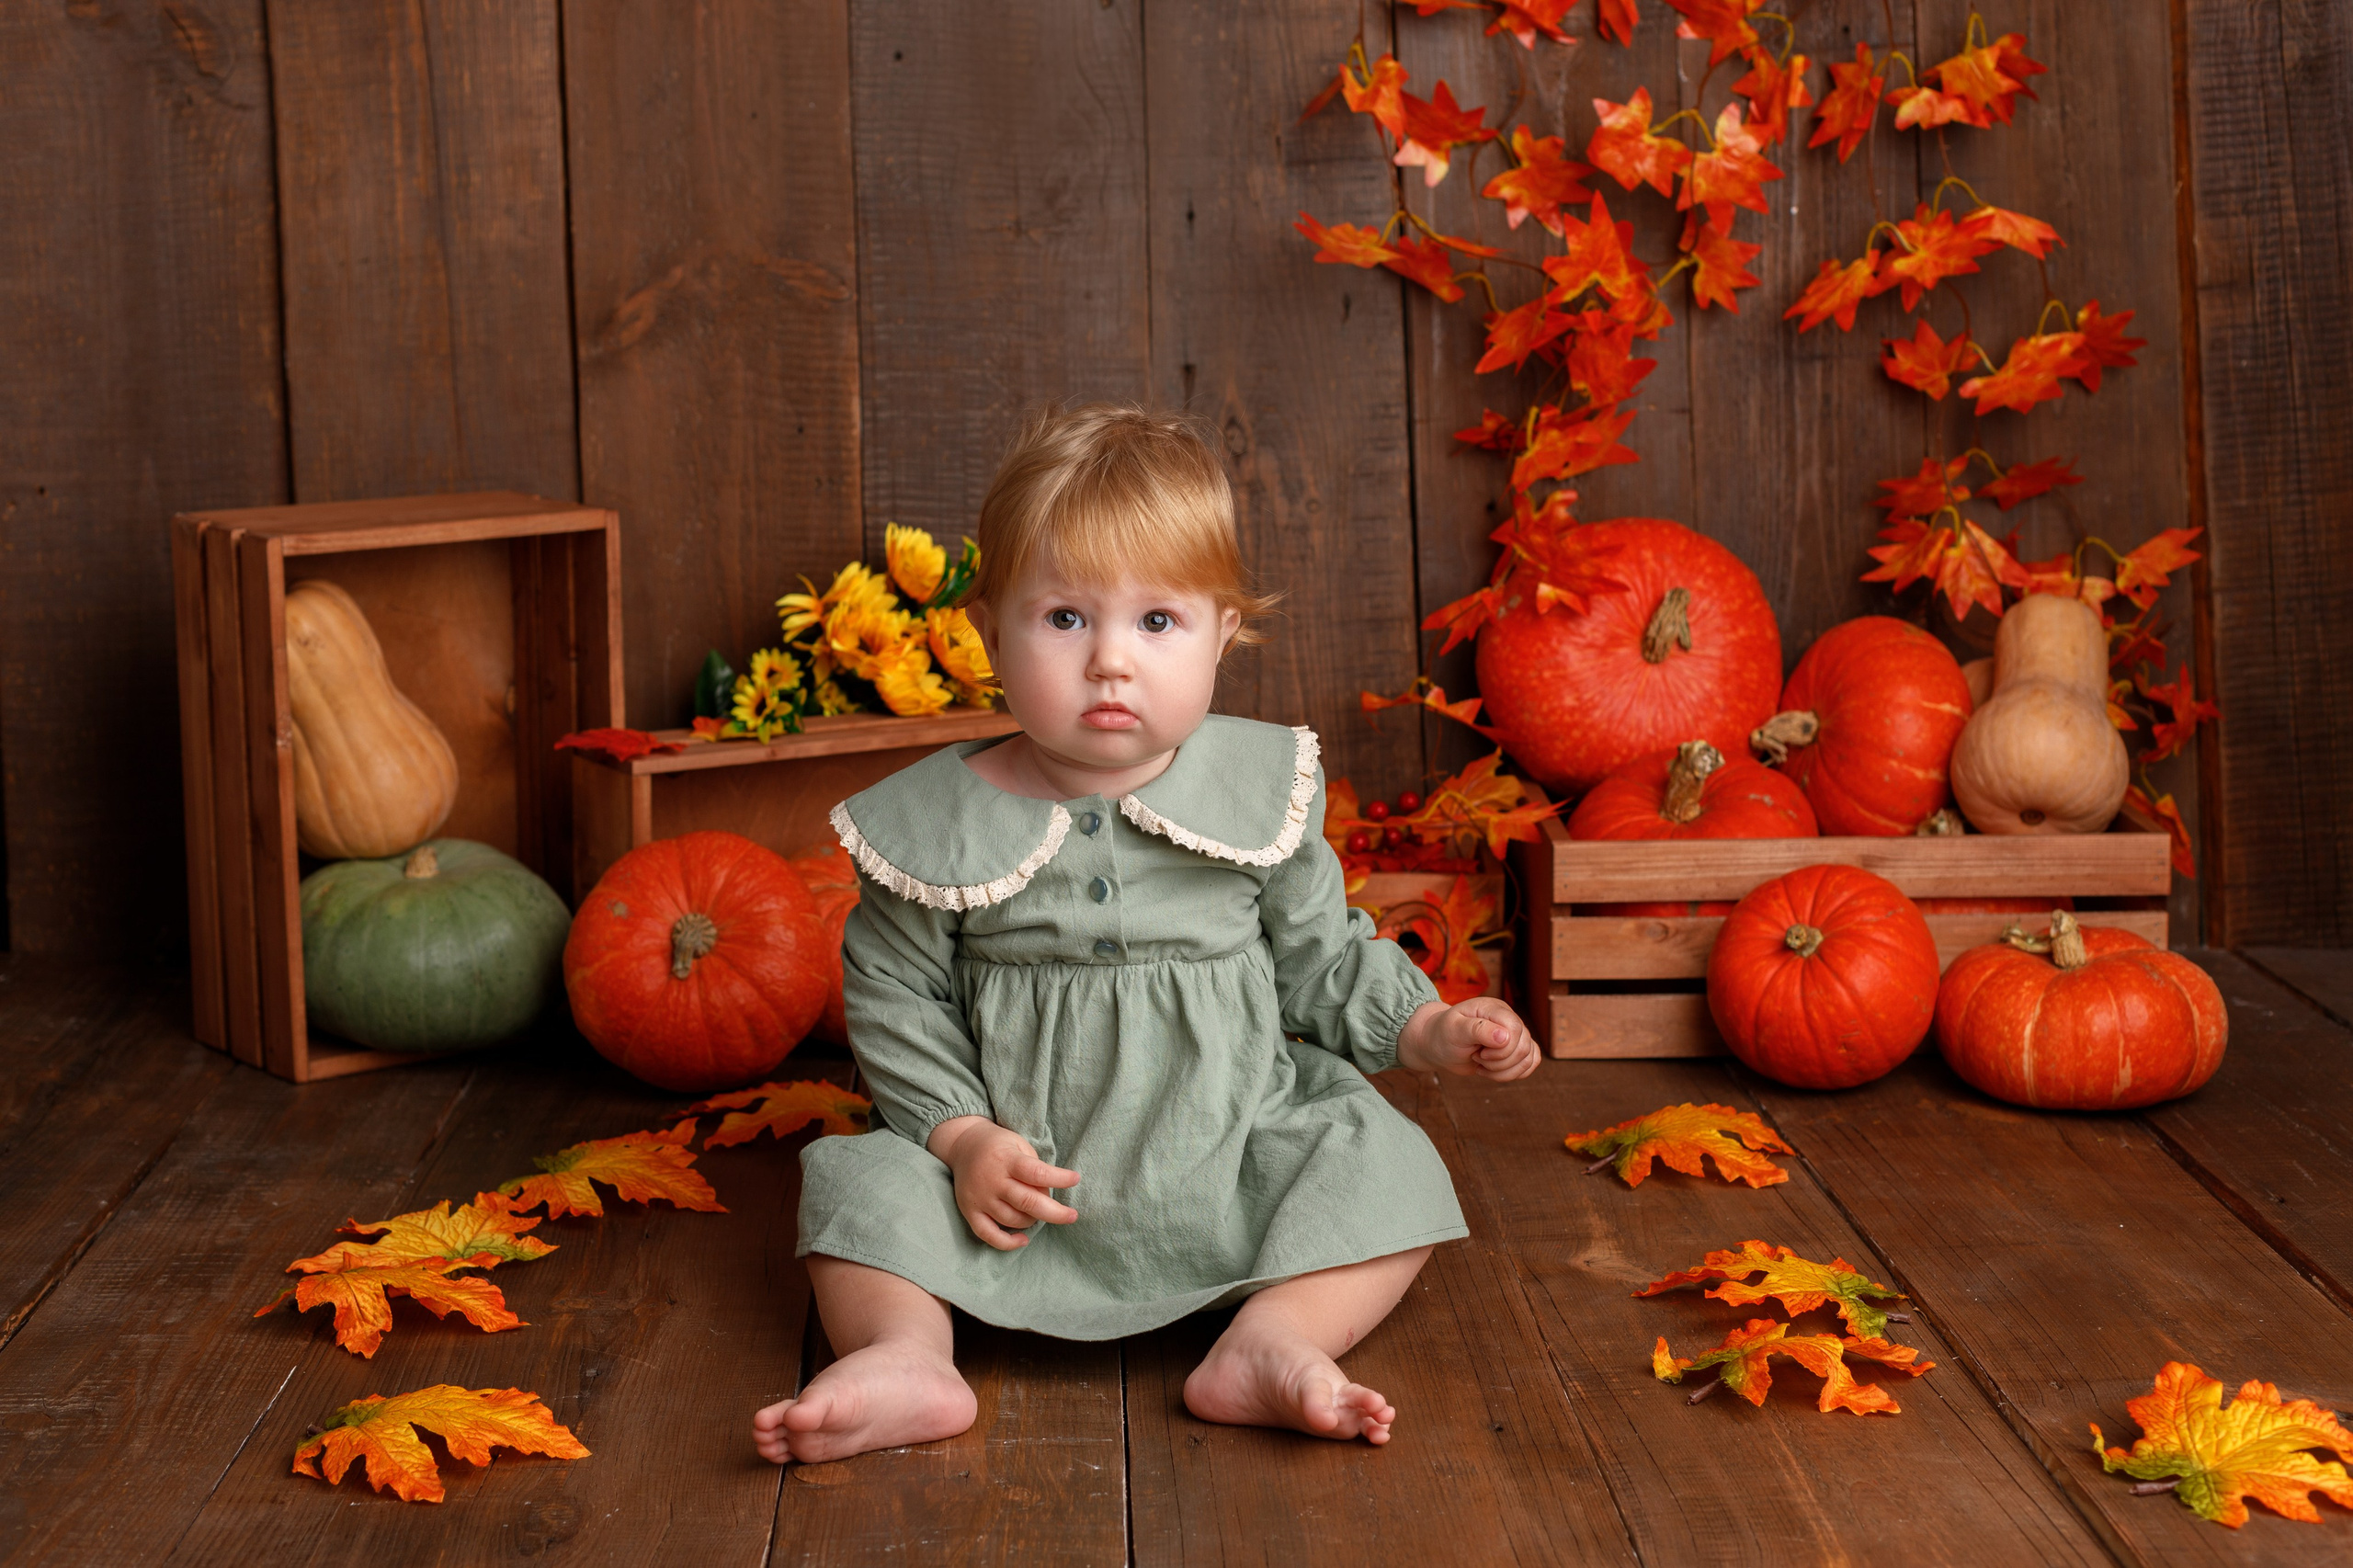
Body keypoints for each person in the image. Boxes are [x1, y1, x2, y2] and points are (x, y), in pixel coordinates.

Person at [754, 403, 1540, 1466]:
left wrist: (1430, 1026)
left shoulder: (1261, 792)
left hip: (1229, 1144)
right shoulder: (933, 825)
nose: (1110, 662)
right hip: (1009, 1177)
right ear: (989, 632)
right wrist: (962, 1138)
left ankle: (1272, 1337)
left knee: (1383, 1163)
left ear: (1223, 630)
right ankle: (906, 1351)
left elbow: (1322, 955)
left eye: (1157, 620)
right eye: (1064, 617)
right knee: (858, 1189)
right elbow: (897, 999)